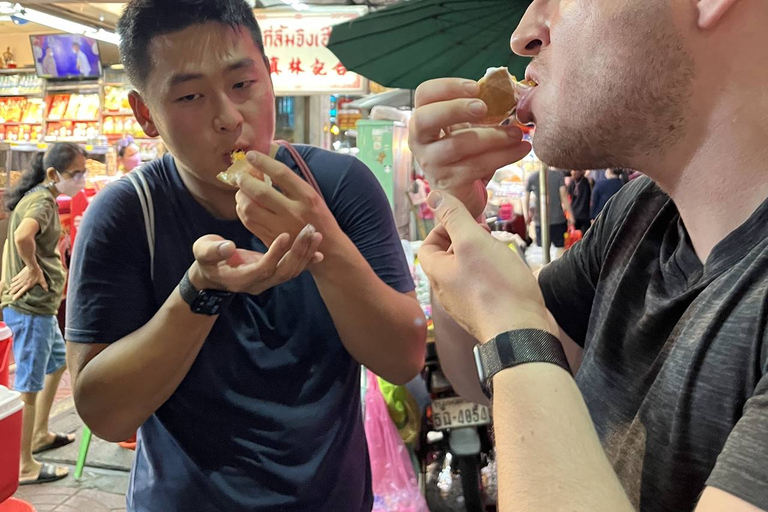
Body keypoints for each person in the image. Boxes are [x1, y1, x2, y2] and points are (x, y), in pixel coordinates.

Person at [407, 0, 768, 510]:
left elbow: (521, 354)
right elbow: (479, 379)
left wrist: (514, 332)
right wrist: (460, 214)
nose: (523, 35)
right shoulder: (638, 214)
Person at [65, 1, 426, 511]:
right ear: (146, 114)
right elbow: (105, 415)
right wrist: (200, 289)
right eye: (190, 96)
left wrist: (322, 240)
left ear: (269, 78)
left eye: (242, 85)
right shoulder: (126, 214)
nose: (229, 119)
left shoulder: (341, 187)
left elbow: (401, 358)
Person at [1, 143, 88, 485]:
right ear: (53, 174)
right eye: (75, 174)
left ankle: (38, 434)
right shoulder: (42, 200)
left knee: (56, 363)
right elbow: (24, 236)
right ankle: (24, 464)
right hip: (31, 308)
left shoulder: (40, 197)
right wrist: (34, 267)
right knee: (29, 384)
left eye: (83, 172)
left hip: (41, 307)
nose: (80, 179)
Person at [522, 168, 574, 248]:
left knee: (543, 250)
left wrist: (526, 216)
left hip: (540, 220)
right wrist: (570, 216)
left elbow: (525, 199)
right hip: (558, 220)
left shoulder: (532, 177)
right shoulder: (558, 176)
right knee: (559, 249)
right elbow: (563, 196)